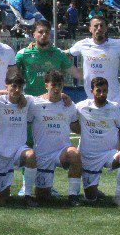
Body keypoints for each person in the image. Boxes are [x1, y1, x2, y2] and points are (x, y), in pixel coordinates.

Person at [66, 16, 120, 196]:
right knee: (89, 136)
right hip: (93, 102)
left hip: (116, 101)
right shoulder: (82, 45)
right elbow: (63, 55)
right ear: (90, 29)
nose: (99, 28)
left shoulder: (118, 45)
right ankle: (86, 181)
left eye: (102, 26)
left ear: (106, 28)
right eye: (95, 26)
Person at [73, 77, 120, 207]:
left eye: (105, 91)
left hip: (108, 154)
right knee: (90, 199)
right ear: (91, 91)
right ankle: (93, 190)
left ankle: (118, 197)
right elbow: (68, 112)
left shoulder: (114, 107)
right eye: (98, 91)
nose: (102, 94)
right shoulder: (81, 106)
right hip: (88, 156)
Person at [28, 70, 81, 208]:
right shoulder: (35, 104)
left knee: (74, 154)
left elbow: (76, 127)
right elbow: (24, 122)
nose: (57, 89)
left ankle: (73, 196)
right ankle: (45, 188)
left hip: (62, 152)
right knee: (43, 197)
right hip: (42, 155)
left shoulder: (69, 105)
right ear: (46, 85)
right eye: (53, 85)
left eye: (59, 85)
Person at [0, 74, 37, 204]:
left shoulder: (28, 101)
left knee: (31, 155)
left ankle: (28, 195)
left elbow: (45, 98)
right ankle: (0, 190)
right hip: (1, 151)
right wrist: (2, 92)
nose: (17, 90)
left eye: (20, 87)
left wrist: (64, 96)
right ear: (6, 86)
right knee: (3, 199)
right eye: (13, 86)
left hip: (19, 149)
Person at [14, 19, 73, 98]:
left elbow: (76, 72)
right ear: (33, 34)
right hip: (30, 101)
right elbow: (13, 77)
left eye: (47, 32)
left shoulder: (58, 53)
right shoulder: (22, 54)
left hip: (51, 101)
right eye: (40, 32)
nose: (44, 34)